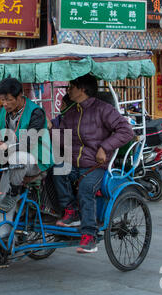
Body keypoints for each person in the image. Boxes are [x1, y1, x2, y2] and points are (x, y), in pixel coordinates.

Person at [52, 74, 134, 254]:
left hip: (95, 165)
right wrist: (49, 129)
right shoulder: (71, 112)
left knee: (86, 188)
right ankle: (70, 211)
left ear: (83, 89)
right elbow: (60, 139)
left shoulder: (104, 109)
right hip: (73, 163)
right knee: (57, 170)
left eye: (71, 86)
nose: (68, 90)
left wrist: (105, 147)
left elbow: (126, 132)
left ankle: (89, 236)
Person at [0, 77, 53, 239]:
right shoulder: (3, 112)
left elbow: (29, 141)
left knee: (17, 160)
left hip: (36, 159)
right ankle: (2, 236)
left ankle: (13, 193)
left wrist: (7, 146)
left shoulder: (36, 112)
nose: (4, 104)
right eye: (2, 100)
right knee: (1, 194)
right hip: (12, 160)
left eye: (8, 100)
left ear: (20, 97)